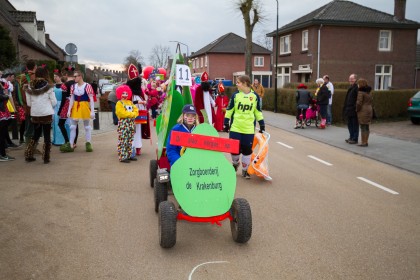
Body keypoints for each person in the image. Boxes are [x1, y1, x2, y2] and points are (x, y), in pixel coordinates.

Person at [224, 75, 265, 179]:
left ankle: (245, 170)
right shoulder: (235, 95)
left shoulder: (255, 96)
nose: (236, 84)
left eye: (238, 82)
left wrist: (262, 124)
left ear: (245, 83)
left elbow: (257, 112)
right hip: (235, 127)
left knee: (247, 150)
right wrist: (226, 122)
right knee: (234, 149)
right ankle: (235, 163)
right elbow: (229, 110)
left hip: (248, 129)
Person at [24, 66, 57, 163]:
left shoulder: (29, 86)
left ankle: (29, 155)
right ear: (45, 74)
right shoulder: (49, 86)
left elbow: (29, 103)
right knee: (47, 135)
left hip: (35, 113)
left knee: (36, 134)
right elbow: (54, 102)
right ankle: (46, 157)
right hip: (46, 113)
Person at [67, 70, 95, 152]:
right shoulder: (73, 86)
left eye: (75, 76)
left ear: (80, 76)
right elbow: (71, 99)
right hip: (76, 107)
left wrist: (92, 111)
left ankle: (88, 143)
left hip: (85, 106)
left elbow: (91, 99)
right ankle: (71, 144)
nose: (74, 78)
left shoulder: (88, 86)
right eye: (74, 76)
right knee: (73, 126)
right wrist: (69, 110)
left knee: (87, 126)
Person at [115, 85, 138, 163]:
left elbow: (136, 110)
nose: (125, 95)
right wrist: (131, 114)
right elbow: (121, 113)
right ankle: (123, 156)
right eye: (123, 93)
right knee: (123, 140)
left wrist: (133, 114)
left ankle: (129, 155)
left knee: (130, 139)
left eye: (126, 93)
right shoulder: (119, 103)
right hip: (123, 123)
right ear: (120, 94)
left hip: (131, 123)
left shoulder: (130, 102)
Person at [58, 66, 78, 152]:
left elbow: (63, 99)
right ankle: (74, 142)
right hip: (76, 105)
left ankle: (67, 141)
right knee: (75, 125)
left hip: (67, 105)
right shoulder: (77, 84)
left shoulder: (64, 85)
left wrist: (60, 110)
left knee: (61, 123)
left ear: (66, 75)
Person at [0, 80, 15, 161]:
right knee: (1, 134)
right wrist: (6, 95)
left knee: (2, 133)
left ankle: (3, 153)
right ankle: (2, 154)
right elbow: (2, 97)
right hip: (1, 112)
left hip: (3, 111)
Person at [356, 78, 373, 147]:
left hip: (363, 110)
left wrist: (357, 109)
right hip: (369, 109)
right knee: (367, 126)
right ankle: (366, 141)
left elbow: (359, 103)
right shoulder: (369, 92)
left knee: (363, 126)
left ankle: (363, 142)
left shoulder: (360, 92)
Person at [343, 74, 359, 144]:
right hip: (349, 109)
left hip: (353, 109)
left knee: (354, 124)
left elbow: (358, 99)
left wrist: (355, 107)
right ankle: (351, 137)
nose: (350, 80)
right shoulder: (350, 87)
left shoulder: (356, 88)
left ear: (355, 79)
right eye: (350, 79)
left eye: (352, 79)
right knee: (349, 124)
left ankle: (355, 138)